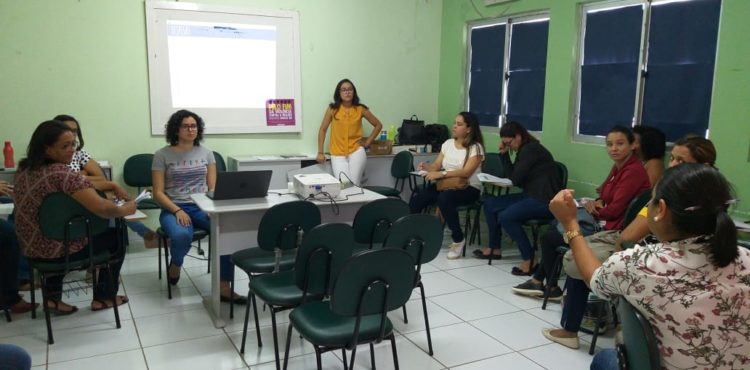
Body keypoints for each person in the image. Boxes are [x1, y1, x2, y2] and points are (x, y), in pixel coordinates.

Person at [550, 164, 750, 370]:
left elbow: (594, 279)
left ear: (660, 209)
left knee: (605, 359)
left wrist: (570, 223)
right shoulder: (744, 256)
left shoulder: (642, 263)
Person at [513, 125, 650, 300]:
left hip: (612, 228)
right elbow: (603, 193)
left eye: (620, 143)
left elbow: (614, 210)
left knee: (550, 237)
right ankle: (541, 281)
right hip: (604, 218)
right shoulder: (619, 166)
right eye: (609, 144)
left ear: (633, 146)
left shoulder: (633, 171)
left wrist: (594, 209)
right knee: (555, 229)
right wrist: (595, 203)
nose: (614, 148)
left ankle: (547, 284)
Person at [14, 120, 135, 314]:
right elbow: (103, 208)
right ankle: (104, 297)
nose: (72, 150)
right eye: (65, 146)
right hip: (55, 250)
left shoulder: (24, 170)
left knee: (60, 231)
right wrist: (126, 208)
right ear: (47, 149)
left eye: (73, 144)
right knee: (116, 236)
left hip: (31, 248)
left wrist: (110, 186)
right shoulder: (62, 173)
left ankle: (52, 298)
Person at [152, 110, 245, 303]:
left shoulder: (207, 153)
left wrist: (212, 208)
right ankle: (176, 264)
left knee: (225, 231)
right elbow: (158, 193)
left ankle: (224, 286)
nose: (190, 129)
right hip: (174, 207)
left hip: (202, 205)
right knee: (181, 235)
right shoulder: (162, 155)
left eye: (194, 125)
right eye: (185, 126)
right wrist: (177, 210)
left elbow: (212, 187)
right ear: (175, 129)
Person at [54, 114, 159, 248]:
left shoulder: (79, 153)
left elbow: (101, 177)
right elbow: (68, 180)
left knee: (112, 199)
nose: (72, 134)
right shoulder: (54, 156)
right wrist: (83, 174)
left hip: (85, 194)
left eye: (75, 131)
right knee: (112, 199)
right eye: (67, 130)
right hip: (66, 203)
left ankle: (140, 234)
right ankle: (145, 234)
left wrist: (81, 176)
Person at [479, 122, 562, 275]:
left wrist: (507, 159)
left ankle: (530, 259)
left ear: (518, 136)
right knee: (490, 205)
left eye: (509, 143)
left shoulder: (531, 150)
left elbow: (515, 180)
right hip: (530, 195)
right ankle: (494, 248)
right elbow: (513, 176)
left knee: (507, 217)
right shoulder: (523, 150)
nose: (509, 146)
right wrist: (504, 155)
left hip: (544, 200)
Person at [409, 111, 485, 259]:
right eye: (454, 123)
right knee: (419, 199)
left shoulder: (476, 148)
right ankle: (411, 234)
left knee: (445, 199)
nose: (454, 126)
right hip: (445, 184)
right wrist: (427, 167)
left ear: (469, 129)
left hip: (468, 188)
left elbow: (465, 172)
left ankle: (458, 239)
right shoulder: (448, 144)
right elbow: (437, 165)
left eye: (459, 124)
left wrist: (441, 174)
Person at [316, 79, 383, 186]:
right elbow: (322, 130)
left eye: (350, 89)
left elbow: (378, 125)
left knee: (355, 184)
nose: (347, 92)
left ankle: (358, 203)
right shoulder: (332, 109)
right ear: (339, 93)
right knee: (344, 185)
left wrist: (367, 143)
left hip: (356, 151)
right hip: (337, 153)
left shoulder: (360, 109)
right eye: (343, 90)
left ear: (354, 92)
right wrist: (320, 152)